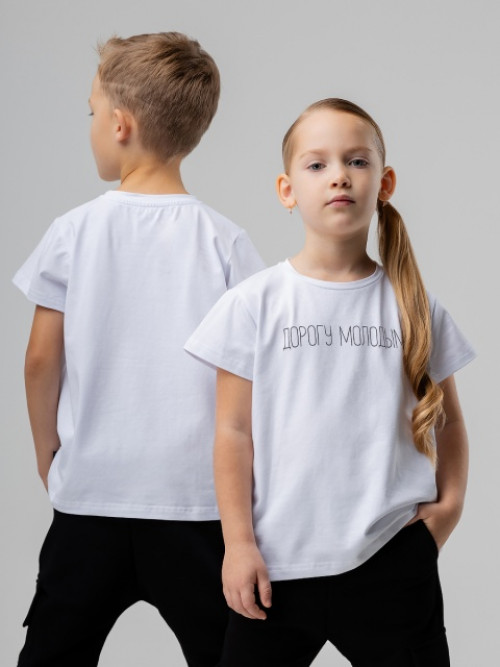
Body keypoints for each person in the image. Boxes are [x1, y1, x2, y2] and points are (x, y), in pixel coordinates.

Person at [184, 98, 475, 666]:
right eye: (316, 164)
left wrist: (449, 508)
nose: (339, 175)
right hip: (275, 571)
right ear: (287, 190)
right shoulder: (253, 304)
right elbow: (232, 432)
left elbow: (451, 421)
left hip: (392, 563)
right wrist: (238, 544)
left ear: (384, 183)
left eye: (357, 161)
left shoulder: (414, 305)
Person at [13, 32, 264, 667]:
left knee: (53, 653)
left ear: (120, 124)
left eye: (92, 111)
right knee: (227, 653)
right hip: (197, 505)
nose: (91, 125)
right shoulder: (226, 243)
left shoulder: (73, 232)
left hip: (91, 497)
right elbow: (257, 375)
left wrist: (47, 451)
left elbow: (40, 360)